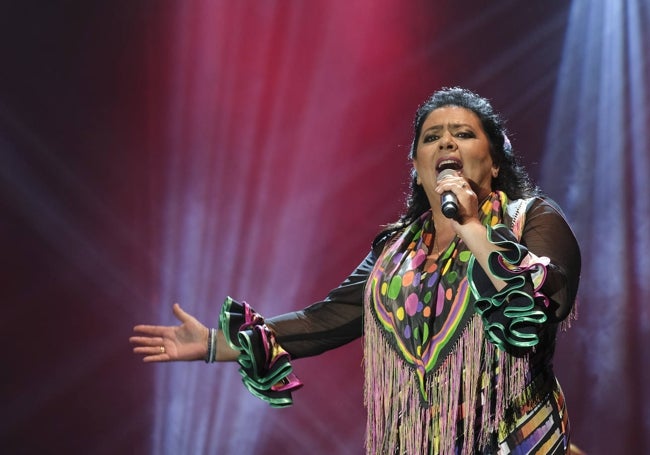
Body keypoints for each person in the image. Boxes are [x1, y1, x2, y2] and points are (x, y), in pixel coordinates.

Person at [130, 87, 581, 454]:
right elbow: (324, 319)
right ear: (416, 167)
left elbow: (550, 300)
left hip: (519, 441)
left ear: (495, 160)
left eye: (463, 134)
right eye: (431, 137)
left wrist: (470, 225)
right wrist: (215, 343)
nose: (445, 142)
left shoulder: (530, 219)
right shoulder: (393, 253)